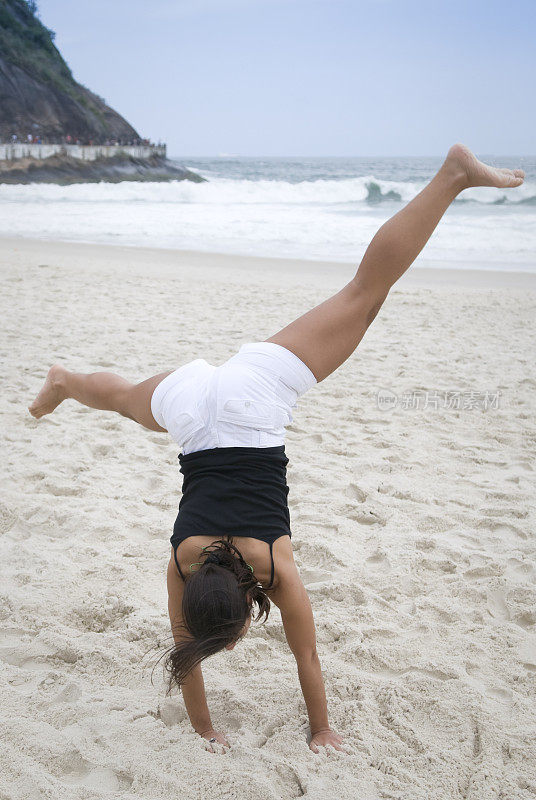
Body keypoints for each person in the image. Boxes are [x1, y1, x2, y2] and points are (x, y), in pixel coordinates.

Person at [28, 144, 524, 755]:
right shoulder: (181, 564)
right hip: (194, 409)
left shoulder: (272, 567)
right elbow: (185, 649)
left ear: (238, 623)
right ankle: (65, 382)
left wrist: (320, 730)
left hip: (252, 403)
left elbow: (303, 653)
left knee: (365, 297)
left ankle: (452, 174)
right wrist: (206, 726)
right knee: (133, 397)